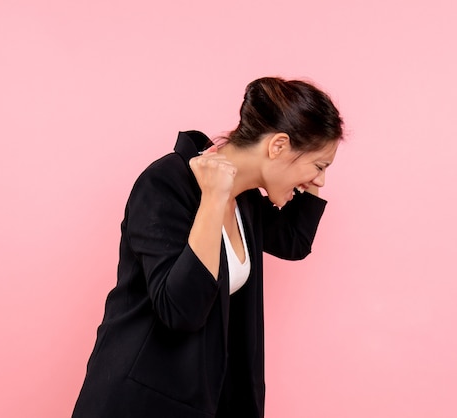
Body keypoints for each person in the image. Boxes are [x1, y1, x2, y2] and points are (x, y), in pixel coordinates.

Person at [72, 76, 344, 418]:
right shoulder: (165, 184)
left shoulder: (246, 200)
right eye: (319, 166)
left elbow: (294, 240)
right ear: (277, 146)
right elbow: (180, 309)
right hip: (136, 403)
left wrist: (305, 169)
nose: (320, 181)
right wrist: (214, 197)